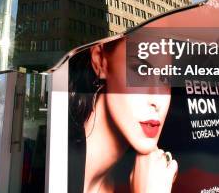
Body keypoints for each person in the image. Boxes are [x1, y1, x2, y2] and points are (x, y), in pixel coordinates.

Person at [68, 38, 177, 193]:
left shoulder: (125, 180)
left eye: (165, 78)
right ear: (100, 61)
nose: (157, 100)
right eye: (142, 70)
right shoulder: (57, 166)